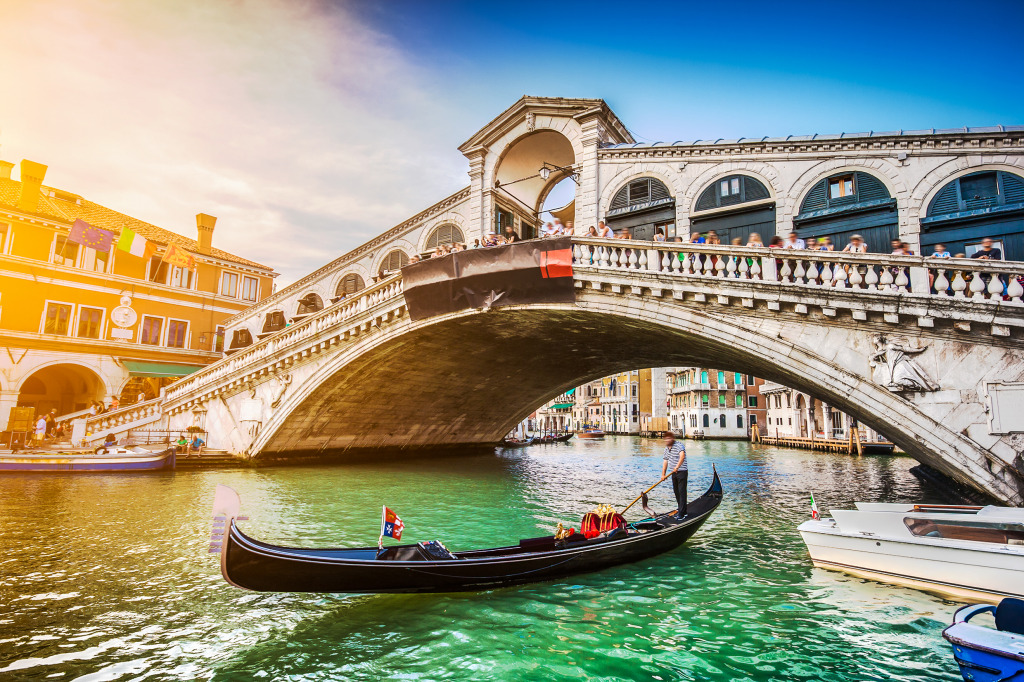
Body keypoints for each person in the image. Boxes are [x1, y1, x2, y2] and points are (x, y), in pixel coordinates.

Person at [661, 431, 687, 520]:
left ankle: (682, 513)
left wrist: (677, 467)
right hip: (673, 473)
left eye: (669, 438)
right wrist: (663, 474)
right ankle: (682, 510)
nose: (667, 440)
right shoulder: (666, 449)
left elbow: (682, 456)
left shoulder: (679, 445)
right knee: (676, 492)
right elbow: (665, 461)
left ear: (672, 439)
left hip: (682, 471)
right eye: (666, 439)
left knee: (681, 492)